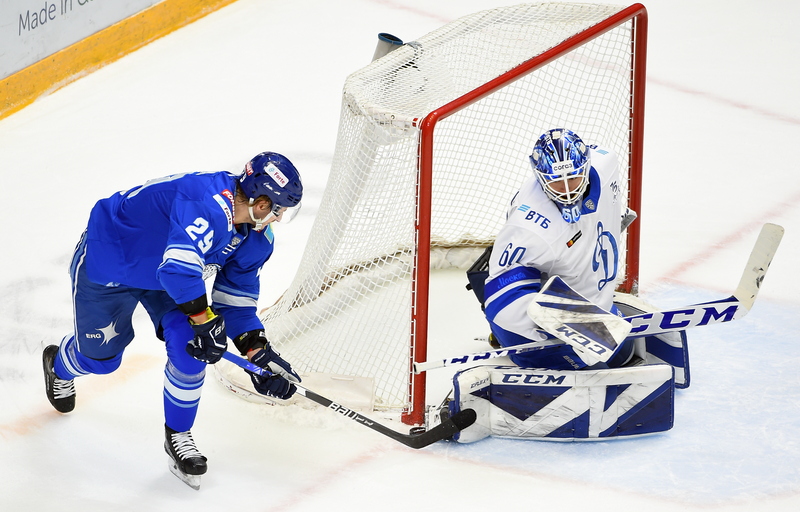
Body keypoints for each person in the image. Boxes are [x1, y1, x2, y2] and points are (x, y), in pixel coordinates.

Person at [42, 151, 304, 489]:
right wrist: (205, 322)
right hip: (111, 260)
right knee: (100, 362)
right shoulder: (205, 202)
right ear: (262, 202)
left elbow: (235, 301)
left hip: (169, 281)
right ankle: (59, 364)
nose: (279, 219)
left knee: (188, 346)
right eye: (279, 209)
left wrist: (257, 351)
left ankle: (178, 435)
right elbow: (178, 269)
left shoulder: (256, 239)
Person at [477, 128, 635, 370]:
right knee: (605, 368)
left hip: (593, 300)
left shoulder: (606, 163)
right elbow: (501, 301)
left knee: (625, 353)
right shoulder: (528, 227)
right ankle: (509, 344)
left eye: (572, 178)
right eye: (555, 181)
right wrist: (578, 324)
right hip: (541, 331)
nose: (567, 189)